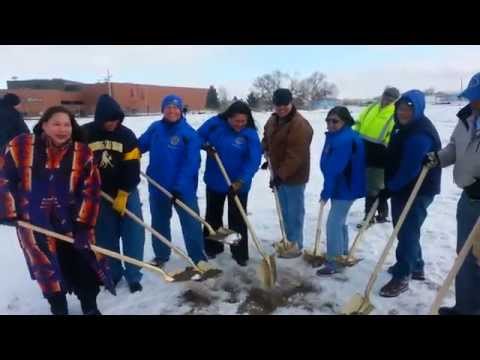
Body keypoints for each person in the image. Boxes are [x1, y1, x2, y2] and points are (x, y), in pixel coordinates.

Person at [0, 106, 114, 315]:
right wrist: (8, 210)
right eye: (56, 124)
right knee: (47, 269)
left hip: (73, 220)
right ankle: (58, 309)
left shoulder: (82, 153)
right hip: (34, 222)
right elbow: (4, 179)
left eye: (67, 124)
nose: (62, 129)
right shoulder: (20, 147)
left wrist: (83, 224)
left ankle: (90, 307)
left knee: (85, 264)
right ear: (43, 125)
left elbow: (91, 190)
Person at [423, 72, 480, 314]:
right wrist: (438, 158)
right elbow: (455, 148)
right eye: (472, 97)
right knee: (464, 257)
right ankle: (466, 308)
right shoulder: (468, 118)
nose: (473, 102)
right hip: (468, 199)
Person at [378, 90, 441, 297]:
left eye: (408, 109)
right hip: (403, 187)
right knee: (407, 228)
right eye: (400, 109)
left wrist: (390, 187)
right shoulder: (403, 127)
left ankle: (403, 275)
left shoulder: (420, 134)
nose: (403, 113)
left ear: (418, 110)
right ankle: (416, 265)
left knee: (407, 229)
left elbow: (409, 169)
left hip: (417, 189)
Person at [82, 94, 145, 293]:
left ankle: (134, 275)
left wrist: (124, 192)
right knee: (105, 236)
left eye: (116, 120)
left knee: (133, 234)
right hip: (98, 194)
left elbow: (132, 167)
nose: (113, 124)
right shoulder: (85, 134)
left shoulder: (126, 135)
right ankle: (113, 274)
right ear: (99, 118)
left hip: (126, 191)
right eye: (109, 121)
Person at [138, 94, 208, 267]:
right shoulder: (155, 128)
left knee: (191, 224)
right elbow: (139, 145)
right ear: (163, 109)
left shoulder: (189, 133)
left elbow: (192, 163)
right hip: (157, 186)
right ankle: (161, 255)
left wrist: (180, 186)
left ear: (181, 110)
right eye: (168, 106)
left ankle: (198, 259)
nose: (172, 110)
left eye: (176, 107)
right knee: (159, 223)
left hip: (182, 190)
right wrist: (129, 154)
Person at [197, 101, 262, 266]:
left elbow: (253, 160)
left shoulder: (250, 134)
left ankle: (238, 252)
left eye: (243, 121)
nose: (239, 125)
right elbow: (197, 137)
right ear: (228, 117)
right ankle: (214, 247)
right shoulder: (215, 124)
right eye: (236, 121)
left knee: (237, 219)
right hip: (215, 179)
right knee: (213, 216)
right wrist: (205, 146)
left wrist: (242, 180)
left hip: (238, 183)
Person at [261, 88, 314, 258]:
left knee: (294, 212)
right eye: (278, 105)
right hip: (279, 174)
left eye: (285, 104)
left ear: (291, 103)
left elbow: (296, 155)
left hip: (294, 176)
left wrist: (280, 176)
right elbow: (266, 138)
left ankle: (296, 245)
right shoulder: (273, 119)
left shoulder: (299, 124)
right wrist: (265, 152)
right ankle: (288, 239)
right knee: (284, 210)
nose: (281, 108)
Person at [316, 107, 366, 275]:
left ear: (345, 121)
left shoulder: (344, 140)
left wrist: (325, 192)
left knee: (333, 223)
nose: (330, 124)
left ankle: (334, 262)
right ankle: (342, 252)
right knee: (340, 220)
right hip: (343, 185)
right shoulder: (336, 136)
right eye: (328, 120)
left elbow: (334, 169)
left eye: (335, 121)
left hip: (345, 186)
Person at [353, 87, 400, 227]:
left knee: (372, 187)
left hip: (380, 154)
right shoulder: (371, 107)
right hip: (363, 149)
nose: (388, 99)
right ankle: (382, 213)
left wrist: (386, 149)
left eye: (392, 98)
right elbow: (359, 123)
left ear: (395, 100)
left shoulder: (395, 113)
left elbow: (391, 136)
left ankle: (369, 217)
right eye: (387, 95)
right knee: (376, 186)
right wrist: (354, 140)